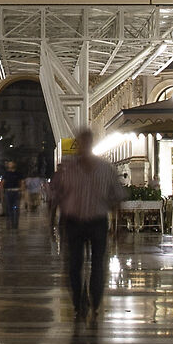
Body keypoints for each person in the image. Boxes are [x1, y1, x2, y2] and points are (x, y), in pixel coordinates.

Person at [51, 127, 123, 322]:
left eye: (85, 142)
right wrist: (54, 222)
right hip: (73, 221)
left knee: (98, 264)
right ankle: (79, 302)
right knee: (74, 265)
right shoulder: (68, 169)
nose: (82, 146)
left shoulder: (106, 169)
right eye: (80, 142)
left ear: (90, 144)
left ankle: (95, 301)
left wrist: (117, 225)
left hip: (97, 222)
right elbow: (57, 196)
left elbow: (116, 197)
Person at [1, 160, 25, 227]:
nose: (10, 165)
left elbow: (22, 182)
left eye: (11, 164)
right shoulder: (6, 173)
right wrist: (2, 192)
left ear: (14, 164)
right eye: (9, 164)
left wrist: (22, 191)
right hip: (8, 192)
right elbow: (2, 183)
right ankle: (9, 223)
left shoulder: (18, 173)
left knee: (16, 208)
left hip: (16, 192)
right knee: (8, 208)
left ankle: (15, 224)